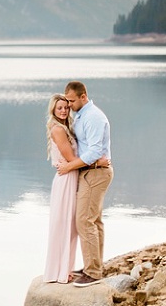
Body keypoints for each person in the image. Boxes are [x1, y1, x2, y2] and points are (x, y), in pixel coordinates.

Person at [57, 81, 113, 288]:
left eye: (72, 101)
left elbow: (95, 150)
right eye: (67, 101)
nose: (69, 105)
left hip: (96, 174)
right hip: (91, 171)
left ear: (83, 96)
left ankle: (93, 272)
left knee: (84, 221)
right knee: (94, 221)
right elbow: (87, 149)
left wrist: (71, 166)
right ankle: (94, 265)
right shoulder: (80, 116)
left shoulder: (93, 117)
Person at [43, 93, 79, 283]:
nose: (64, 110)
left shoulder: (66, 127)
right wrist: (97, 163)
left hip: (70, 175)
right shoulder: (58, 129)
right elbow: (71, 159)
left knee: (70, 226)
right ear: (53, 110)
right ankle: (60, 271)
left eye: (66, 107)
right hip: (66, 179)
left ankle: (65, 268)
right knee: (63, 225)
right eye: (60, 108)